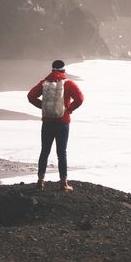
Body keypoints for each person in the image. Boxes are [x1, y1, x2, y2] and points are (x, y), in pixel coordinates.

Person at [27, 59, 84, 192]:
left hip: (47, 122)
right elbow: (80, 99)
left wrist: (43, 106)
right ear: (64, 70)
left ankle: (40, 181)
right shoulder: (68, 83)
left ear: (52, 70)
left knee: (44, 151)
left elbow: (30, 96)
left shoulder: (44, 83)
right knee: (61, 153)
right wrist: (68, 109)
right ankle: (64, 184)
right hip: (63, 122)